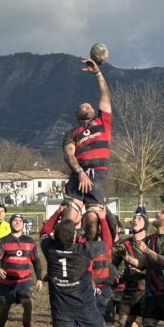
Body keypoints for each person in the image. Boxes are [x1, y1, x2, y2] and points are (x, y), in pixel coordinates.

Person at [39, 216, 110, 327]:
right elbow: (108, 242)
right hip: (84, 306)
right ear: (74, 238)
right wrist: (101, 218)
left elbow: (43, 232)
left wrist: (59, 212)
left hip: (61, 308)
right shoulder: (83, 250)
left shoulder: (50, 249)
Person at [62, 57, 112, 241]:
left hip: (98, 177)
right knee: (69, 217)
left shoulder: (102, 122)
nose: (87, 105)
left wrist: (97, 73)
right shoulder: (72, 132)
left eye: (90, 105)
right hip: (78, 176)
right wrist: (80, 172)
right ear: (78, 114)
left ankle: (88, 250)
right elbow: (69, 153)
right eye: (83, 106)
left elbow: (105, 95)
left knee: (92, 219)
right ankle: (65, 250)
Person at [0, 214, 43, 327]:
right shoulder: (3, 241)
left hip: (24, 282)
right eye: (15, 220)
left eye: (20, 221)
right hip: (6, 283)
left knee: (28, 304)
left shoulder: (30, 241)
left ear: (23, 224)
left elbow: (36, 261)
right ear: (10, 224)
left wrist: (39, 278)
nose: (18, 222)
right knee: (4, 308)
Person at [111, 213, 149, 327]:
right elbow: (113, 265)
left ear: (145, 225)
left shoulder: (151, 243)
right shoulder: (124, 244)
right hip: (130, 290)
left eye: (139, 218)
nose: (135, 219)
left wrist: (144, 272)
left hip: (149, 290)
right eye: (134, 217)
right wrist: (116, 275)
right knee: (123, 325)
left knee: (149, 326)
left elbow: (158, 265)